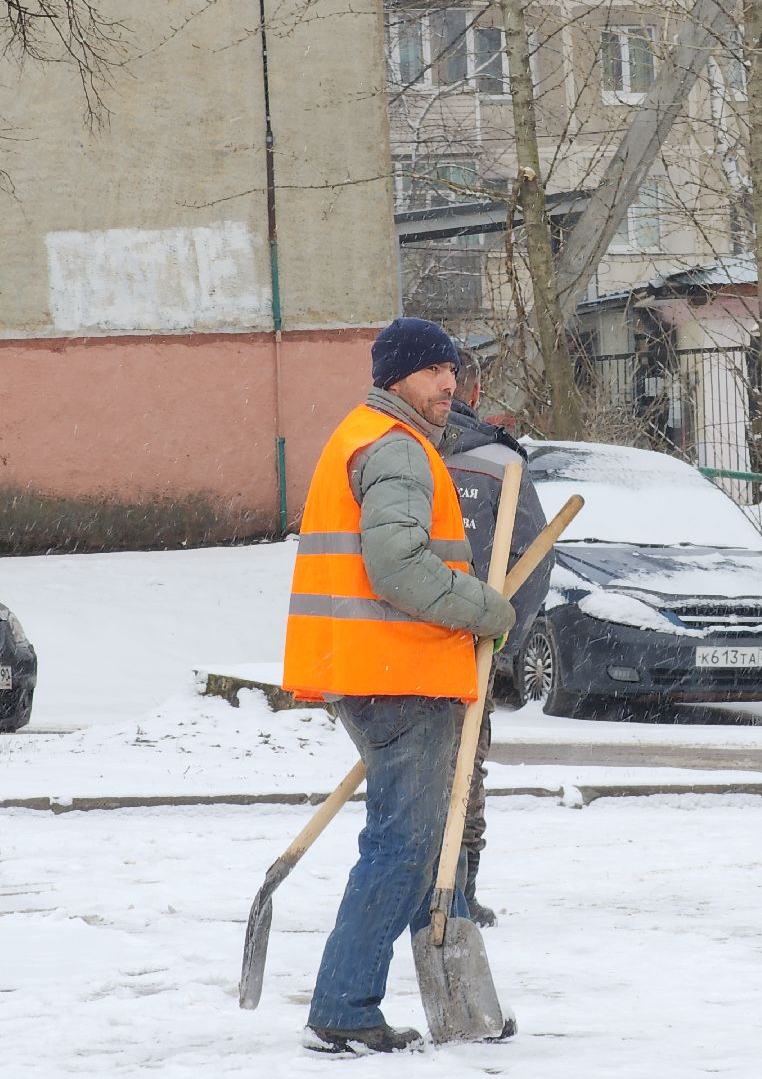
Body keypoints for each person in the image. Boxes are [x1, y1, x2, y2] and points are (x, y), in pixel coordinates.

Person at [282, 316, 516, 1055]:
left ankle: (458, 1003)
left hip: (380, 672)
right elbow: (398, 567)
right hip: (400, 676)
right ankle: (345, 1006)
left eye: (454, 370)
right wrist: (486, 607)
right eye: (434, 371)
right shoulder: (396, 449)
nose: (451, 384)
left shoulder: (366, 435)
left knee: (427, 841)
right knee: (405, 844)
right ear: (397, 378)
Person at [442, 353, 552, 928]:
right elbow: (533, 563)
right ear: (475, 391)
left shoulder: (389, 445)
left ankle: (417, 885)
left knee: (409, 771)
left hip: (397, 644)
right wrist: (505, 645)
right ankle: (457, 893)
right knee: (466, 767)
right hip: (470, 647)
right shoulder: (499, 461)